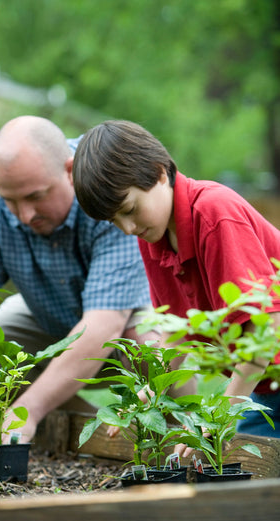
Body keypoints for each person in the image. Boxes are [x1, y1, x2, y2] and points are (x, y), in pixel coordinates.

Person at [0, 115, 154, 446]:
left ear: (69, 171)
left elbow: (103, 326)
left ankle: (177, 438)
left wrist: (27, 410)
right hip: (46, 316)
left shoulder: (106, 185)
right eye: (12, 201)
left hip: (126, 316)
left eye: (35, 196)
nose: (24, 215)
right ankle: (87, 432)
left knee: (152, 347)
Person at [72, 118, 280, 438]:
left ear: (158, 172)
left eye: (128, 210)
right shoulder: (151, 237)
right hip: (266, 387)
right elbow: (175, 331)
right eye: (114, 221)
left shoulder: (213, 213)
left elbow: (266, 326)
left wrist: (219, 414)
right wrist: (152, 392)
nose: (126, 228)